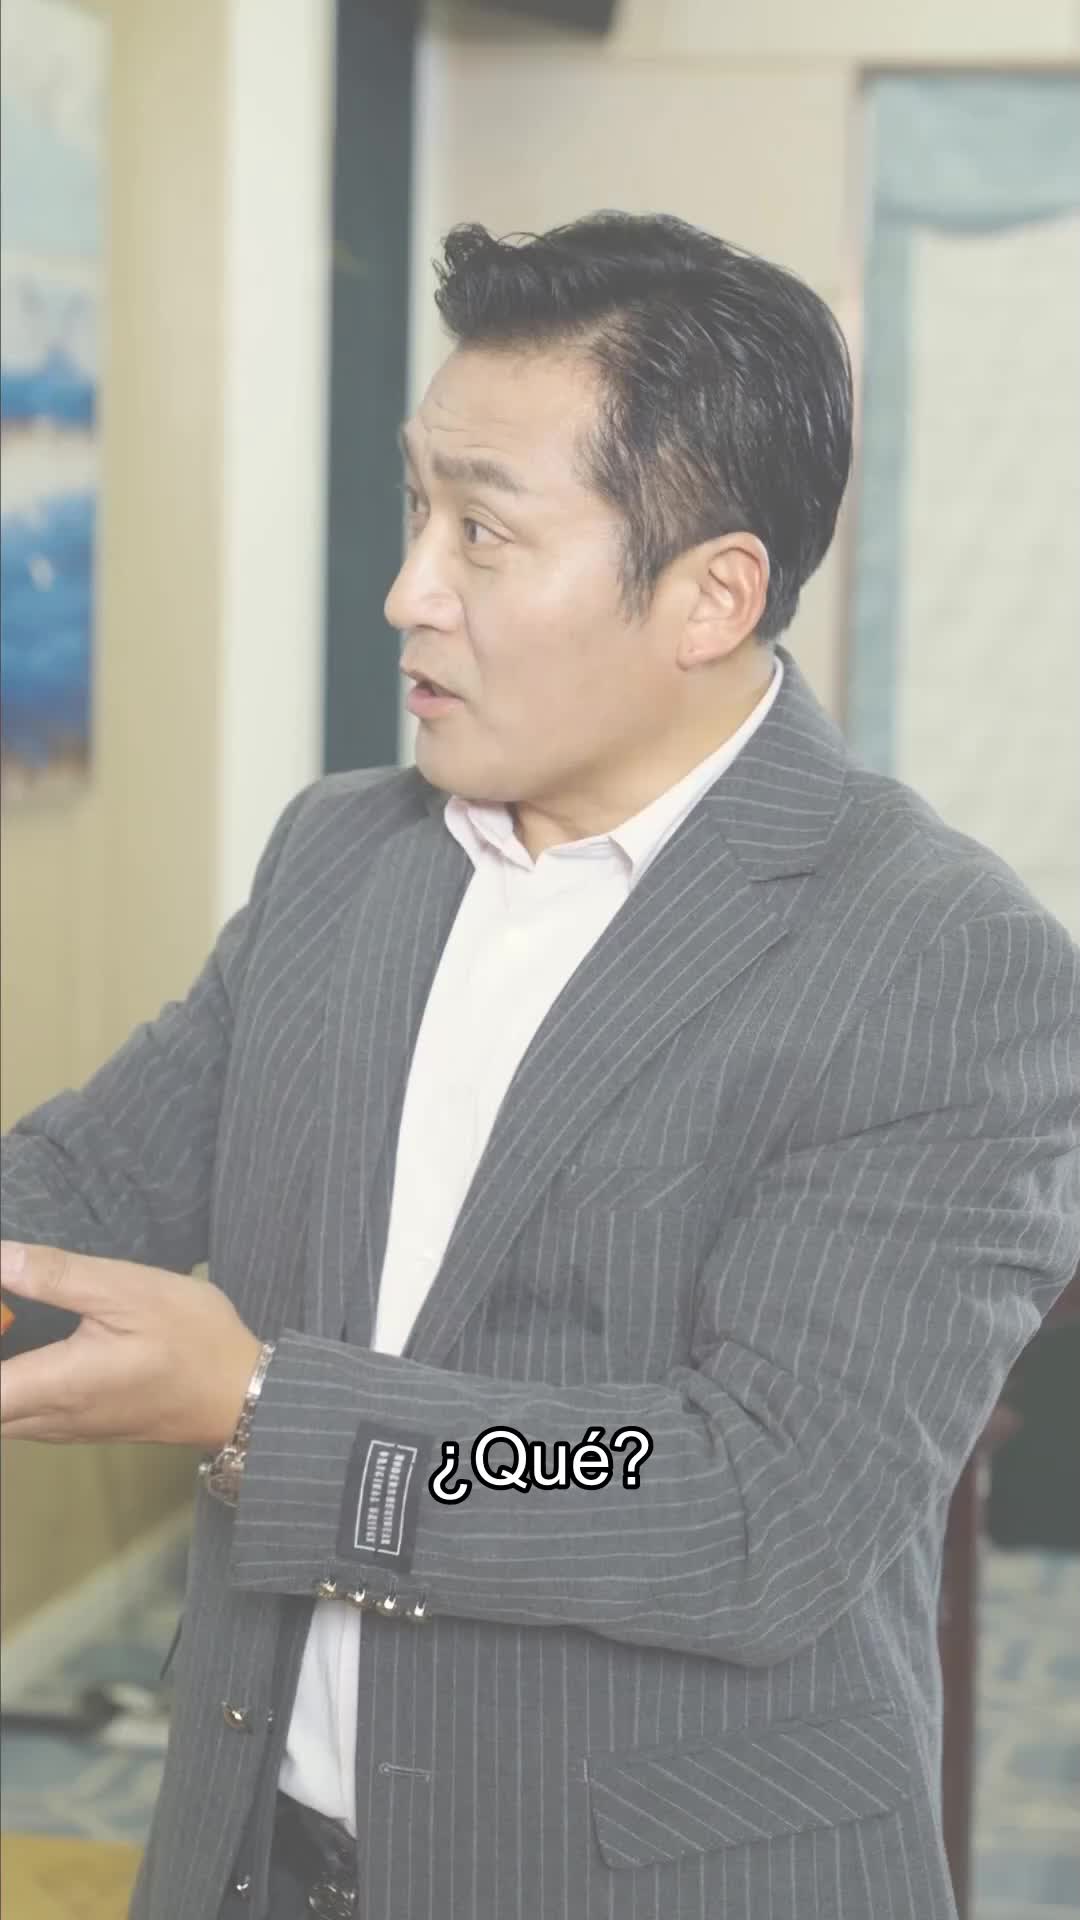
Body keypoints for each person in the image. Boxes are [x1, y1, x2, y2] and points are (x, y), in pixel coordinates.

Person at [2, 211, 1078, 1920]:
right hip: (256, 1865)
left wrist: (267, 1414)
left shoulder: (938, 960)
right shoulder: (343, 854)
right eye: (418, 509)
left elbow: (747, 1496)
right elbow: (83, 1186)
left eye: (484, 532)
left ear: (712, 594)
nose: (408, 590)